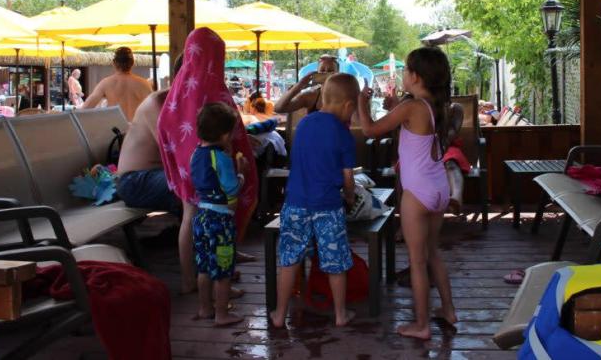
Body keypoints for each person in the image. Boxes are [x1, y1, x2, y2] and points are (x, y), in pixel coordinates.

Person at [358, 47, 457, 340]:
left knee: (416, 261)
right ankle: (449, 311)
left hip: (417, 192)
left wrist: (363, 102)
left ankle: (422, 325)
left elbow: (369, 130)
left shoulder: (412, 107)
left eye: (404, 71)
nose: (402, 75)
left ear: (414, 76)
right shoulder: (434, 106)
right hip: (439, 188)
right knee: (432, 254)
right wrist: (395, 105)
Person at [158, 29, 259, 296]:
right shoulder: (212, 85)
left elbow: (164, 125)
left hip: (188, 164)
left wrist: (178, 160)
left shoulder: (179, 85)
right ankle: (219, 281)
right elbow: (229, 128)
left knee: (189, 219)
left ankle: (191, 279)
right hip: (215, 169)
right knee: (218, 227)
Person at [269, 73, 359, 329]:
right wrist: (350, 198)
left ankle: (279, 314)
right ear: (348, 106)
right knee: (335, 262)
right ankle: (341, 314)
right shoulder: (343, 134)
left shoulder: (305, 124)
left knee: (290, 259)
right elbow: (348, 178)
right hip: (328, 207)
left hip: (295, 204)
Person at [190, 102, 247, 326]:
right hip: (220, 221)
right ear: (225, 135)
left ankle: (205, 308)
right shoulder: (221, 158)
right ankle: (222, 314)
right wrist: (241, 173)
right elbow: (232, 188)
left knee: (204, 267)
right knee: (223, 270)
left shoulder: (196, 153)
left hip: (202, 215)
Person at [115, 57, 184, 216]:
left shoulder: (189, 103)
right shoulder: (158, 102)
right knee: (197, 181)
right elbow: (173, 149)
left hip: (158, 174)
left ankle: (186, 232)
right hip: (134, 181)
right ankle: (191, 235)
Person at [81, 47, 152, 121]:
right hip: (136, 129)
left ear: (114, 63)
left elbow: (85, 108)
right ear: (132, 63)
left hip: (116, 129)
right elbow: (155, 110)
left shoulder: (105, 83)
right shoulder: (144, 84)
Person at [273, 54, 339, 114]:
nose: (326, 73)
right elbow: (278, 108)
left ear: (337, 73)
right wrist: (299, 85)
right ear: (317, 73)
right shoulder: (311, 96)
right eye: (322, 70)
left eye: (330, 71)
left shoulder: (345, 95)